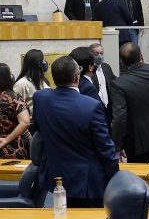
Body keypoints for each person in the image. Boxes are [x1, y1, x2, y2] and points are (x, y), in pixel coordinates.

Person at [31, 56, 118, 207]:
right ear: (78, 78)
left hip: (54, 177)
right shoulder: (92, 106)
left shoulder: (40, 98)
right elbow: (105, 149)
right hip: (87, 183)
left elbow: (38, 129)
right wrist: (116, 178)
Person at [13, 49, 49, 116]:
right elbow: (15, 107)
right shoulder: (21, 84)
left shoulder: (42, 81)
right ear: (38, 64)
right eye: (44, 60)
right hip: (29, 123)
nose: (45, 63)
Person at [89, 43, 117, 119]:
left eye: (101, 53)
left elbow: (115, 81)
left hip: (108, 107)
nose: (100, 56)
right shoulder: (88, 70)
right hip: (95, 106)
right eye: (96, 53)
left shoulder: (106, 67)